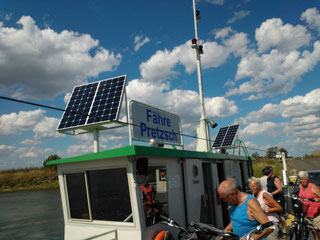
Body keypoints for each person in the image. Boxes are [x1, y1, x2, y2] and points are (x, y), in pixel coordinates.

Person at [265, 166, 287, 238]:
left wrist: (271, 194)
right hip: (272, 199)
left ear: (271, 172)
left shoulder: (276, 178)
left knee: (281, 215)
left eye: (268, 173)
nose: (267, 174)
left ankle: (284, 232)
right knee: (274, 214)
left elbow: (280, 189)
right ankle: (277, 229)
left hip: (279, 198)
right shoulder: (268, 178)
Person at [298, 171, 320, 240]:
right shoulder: (300, 186)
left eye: (304, 179)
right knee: (313, 231)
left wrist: (318, 199)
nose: (303, 181)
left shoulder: (313, 187)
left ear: (308, 179)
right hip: (306, 212)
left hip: (316, 212)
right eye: (301, 179)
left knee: (317, 229)